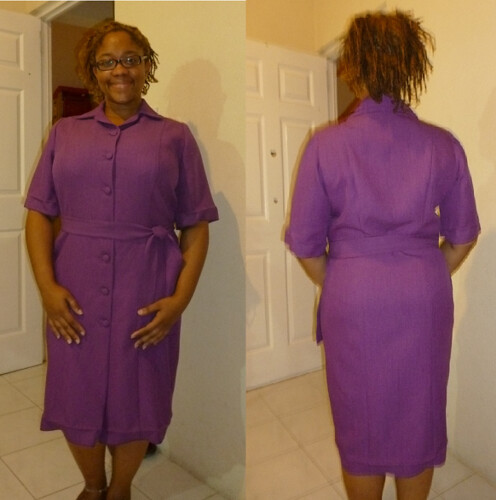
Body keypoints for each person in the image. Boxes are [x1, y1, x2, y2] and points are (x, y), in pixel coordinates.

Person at [284, 10, 480, 500]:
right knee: (419, 417)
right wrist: (425, 269)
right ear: (412, 63)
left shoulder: (325, 145)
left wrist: (344, 278)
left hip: (352, 295)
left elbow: (305, 245)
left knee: (360, 423)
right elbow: (462, 237)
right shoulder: (443, 145)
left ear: (353, 66)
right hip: (423, 293)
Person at [25, 20, 218, 500]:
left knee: (138, 396)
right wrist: (47, 289)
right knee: (76, 391)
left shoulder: (175, 137)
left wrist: (179, 301)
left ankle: (121, 489)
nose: (120, 70)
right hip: (75, 290)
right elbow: (39, 214)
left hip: (146, 288)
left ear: (147, 65)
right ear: (93, 71)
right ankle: (94, 487)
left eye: (131, 59)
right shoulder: (64, 133)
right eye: (108, 61)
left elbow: (196, 225)